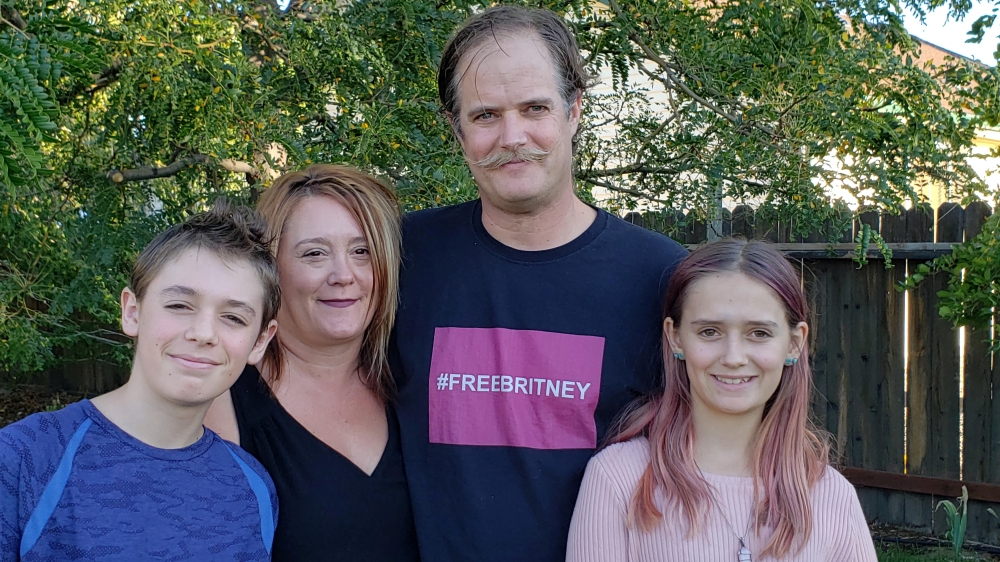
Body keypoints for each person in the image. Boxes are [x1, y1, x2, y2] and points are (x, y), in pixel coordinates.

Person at [390, 6, 688, 562]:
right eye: (484, 116)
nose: (512, 136)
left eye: (534, 108)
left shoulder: (663, 279)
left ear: (574, 111)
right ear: (456, 130)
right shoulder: (400, 258)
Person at [0, 200, 280, 561]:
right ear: (132, 312)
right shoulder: (23, 459)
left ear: (260, 341)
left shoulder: (253, 488)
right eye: (180, 305)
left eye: (234, 317)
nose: (203, 333)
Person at [566, 239, 878, 561]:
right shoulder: (618, 478)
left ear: (794, 343)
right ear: (676, 337)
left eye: (759, 333)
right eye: (710, 332)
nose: (733, 357)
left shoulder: (831, 495)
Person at [205, 164, 419, 562]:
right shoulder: (225, 402)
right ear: (272, 270)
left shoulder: (409, 381)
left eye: (362, 252)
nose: (343, 275)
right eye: (314, 254)